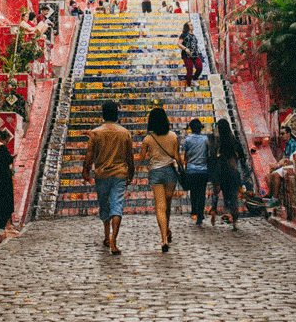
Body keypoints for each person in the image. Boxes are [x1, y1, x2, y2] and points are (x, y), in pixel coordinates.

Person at [82, 99, 135, 254]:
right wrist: (131, 173)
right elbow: (129, 157)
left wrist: (85, 170)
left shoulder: (96, 133)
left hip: (102, 174)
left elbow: (90, 155)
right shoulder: (124, 133)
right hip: (119, 174)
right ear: (116, 114)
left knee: (104, 205)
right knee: (117, 206)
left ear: (103, 114)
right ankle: (114, 240)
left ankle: (106, 235)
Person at [137, 106, 181, 250]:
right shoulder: (173, 136)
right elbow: (177, 157)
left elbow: (142, 158)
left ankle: (164, 239)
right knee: (167, 204)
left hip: (155, 172)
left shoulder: (148, 139)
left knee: (160, 207)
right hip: (170, 172)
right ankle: (167, 230)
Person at [210, 118, 247, 230]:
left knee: (216, 193)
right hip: (233, 172)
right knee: (234, 197)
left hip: (220, 171)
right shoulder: (234, 142)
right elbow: (242, 158)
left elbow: (212, 157)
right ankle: (235, 221)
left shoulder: (217, 142)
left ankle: (213, 212)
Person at [183, 119, 211, 225]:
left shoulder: (187, 140)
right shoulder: (205, 139)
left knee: (193, 192)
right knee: (201, 192)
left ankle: (194, 211)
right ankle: (200, 214)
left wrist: (185, 168)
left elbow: (186, 156)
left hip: (191, 170)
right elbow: (208, 154)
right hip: (203, 170)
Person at [267, 127, 296, 204]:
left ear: (288, 134)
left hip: (293, 165)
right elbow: (284, 158)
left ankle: (274, 199)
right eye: (280, 134)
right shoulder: (287, 145)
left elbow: (292, 160)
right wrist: (277, 164)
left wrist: (278, 165)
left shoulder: (294, 144)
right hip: (287, 164)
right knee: (268, 176)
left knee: (274, 174)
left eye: (283, 134)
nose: (281, 136)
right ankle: (271, 196)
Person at [179, 22, 203, 89]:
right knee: (189, 70)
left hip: (195, 54)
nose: (192, 26)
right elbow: (179, 44)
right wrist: (185, 49)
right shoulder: (183, 35)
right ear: (187, 27)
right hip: (187, 55)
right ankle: (188, 86)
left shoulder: (194, 35)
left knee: (199, 67)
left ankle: (194, 79)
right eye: (191, 25)